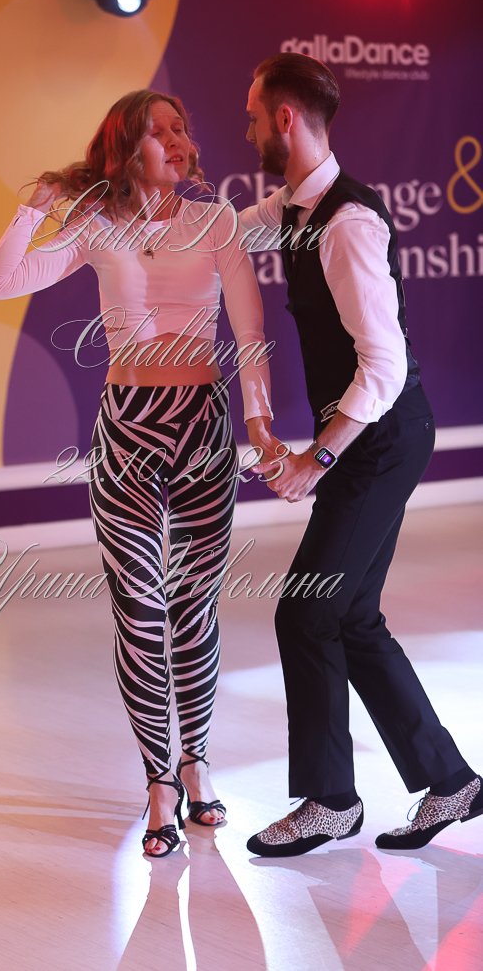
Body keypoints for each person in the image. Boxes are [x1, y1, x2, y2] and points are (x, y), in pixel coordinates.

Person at [0, 89, 280, 857]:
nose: (178, 140)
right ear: (125, 146)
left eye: (182, 128)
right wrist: (39, 205)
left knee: (193, 609)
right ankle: (158, 782)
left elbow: (249, 326)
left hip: (203, 426)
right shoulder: (97, 225)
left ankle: (197, 759)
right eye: (159, 130)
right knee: (140, 615)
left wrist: (258, 421)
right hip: (126, 430)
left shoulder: (215, 220)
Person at [239, 53, 482, 858]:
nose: (246, 128)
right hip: (376, 436)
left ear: (285, 119)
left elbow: (384, 367)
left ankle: (329, 801)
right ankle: (449, 780)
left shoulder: (346, 224)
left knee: (307, 608)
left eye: (253, 115)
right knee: (348, 613)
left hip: (381, 438)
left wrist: (317, 458)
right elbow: (226, 234)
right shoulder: (295, 208)